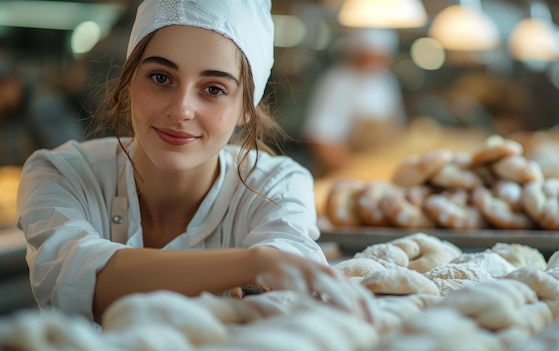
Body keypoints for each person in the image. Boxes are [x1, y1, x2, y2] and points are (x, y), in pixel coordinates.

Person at [16, 0, 373, 323]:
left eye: (214, 89)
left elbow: (289, 280)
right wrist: (253, 263)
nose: (181, 109)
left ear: (245, 108)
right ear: (129, 83)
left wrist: (269, 264)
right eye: (160, 77)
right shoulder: (60, 174)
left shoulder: (275, 183)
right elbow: (81, 280)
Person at [302, 28, 407, 177]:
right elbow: (320, 137)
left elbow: (397, 129)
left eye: (380, 58)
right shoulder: (338, 82)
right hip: (342, 174)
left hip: (379, 172)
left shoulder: (387, 81)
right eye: (367, 57)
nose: (372, 64)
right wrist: (354, 171)